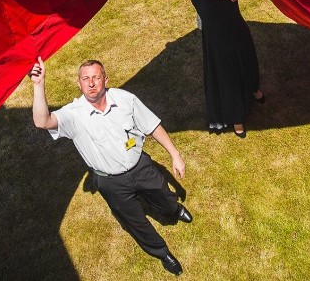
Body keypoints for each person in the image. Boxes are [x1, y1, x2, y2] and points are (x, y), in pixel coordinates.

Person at [30, 57, 192, 276]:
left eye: (96, 77)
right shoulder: (73, 114)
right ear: (79, 84)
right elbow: (42, 121)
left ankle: (174, 210)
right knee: (135, 221)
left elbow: (152, 125)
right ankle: (162, 253)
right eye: (85, 79)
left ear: (106, 79)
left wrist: (175, 154)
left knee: (162, 194)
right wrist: (39, 86)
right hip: (110, 181)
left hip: (140, 166)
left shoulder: (126, 100)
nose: (91, 83)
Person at [159, 0, 264, 138]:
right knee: (228, 80)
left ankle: (253, 89)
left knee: (248, 65)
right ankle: (237, 118)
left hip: (240, 36)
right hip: (218, 46)